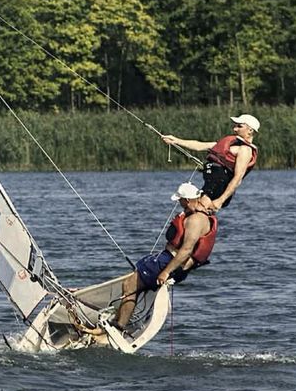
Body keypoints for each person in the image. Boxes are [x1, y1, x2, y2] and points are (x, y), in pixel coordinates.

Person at [111, 183, 217, 329]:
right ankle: (121, 319)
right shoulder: (198, 211)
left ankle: (119, 326)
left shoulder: (195, 220)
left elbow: (186, 250)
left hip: (170, 262)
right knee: (135, 280)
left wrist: (166, 272)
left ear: (186, 200)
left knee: (129, 285)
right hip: (168, 260)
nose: (179, 204)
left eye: (180, 201)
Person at [161, 113, 260, 212]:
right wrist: (176, 141)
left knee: (199, 210)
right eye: (235, 126)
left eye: (239, 126)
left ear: (250, 130)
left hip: (219, 185)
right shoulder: (228, 144)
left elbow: (237, 178)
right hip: (211, 183)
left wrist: (221, 200)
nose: (234, 129)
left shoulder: (245, 150)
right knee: (194, 209)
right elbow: (199, 145)